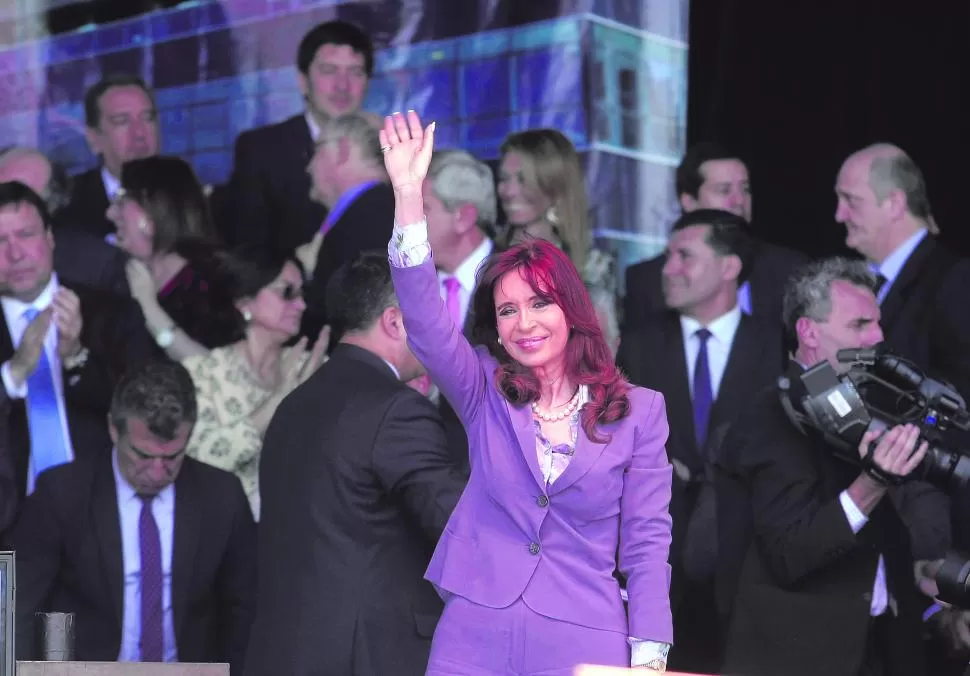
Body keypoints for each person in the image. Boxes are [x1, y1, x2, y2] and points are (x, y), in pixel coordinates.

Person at [381, 111, 673, 674]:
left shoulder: (640, 411)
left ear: (572, 308)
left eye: (540, 303)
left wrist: (650, 654)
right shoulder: (484, 388)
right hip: (474, 632)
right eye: (508, 310)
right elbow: (424, 323)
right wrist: (408, 195)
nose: (524, 322)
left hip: (584, 636)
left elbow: (646, 544)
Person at [244, 252, 466, 676]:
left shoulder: (294, 405)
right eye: (431, 314)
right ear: (395, 321)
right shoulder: (396, 409)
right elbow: (459, 527)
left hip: (282, 654)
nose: (442, 330)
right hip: (364, 657)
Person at [716, 257, 935, 675]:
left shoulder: (853, 408)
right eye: (860, 325)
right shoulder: (770, 416)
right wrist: (871, 485)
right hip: (798, 660)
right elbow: (788, 553)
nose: (878, 336)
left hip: (872, 647)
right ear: (808, 331)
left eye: (878, 323)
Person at [8, 360, 256, 671]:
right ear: (114, 428)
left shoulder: (222, 497)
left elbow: (243, 609)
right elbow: (19, 604)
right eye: (142, 454)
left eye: (171, 457)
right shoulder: (63, 493)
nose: (156, 472)